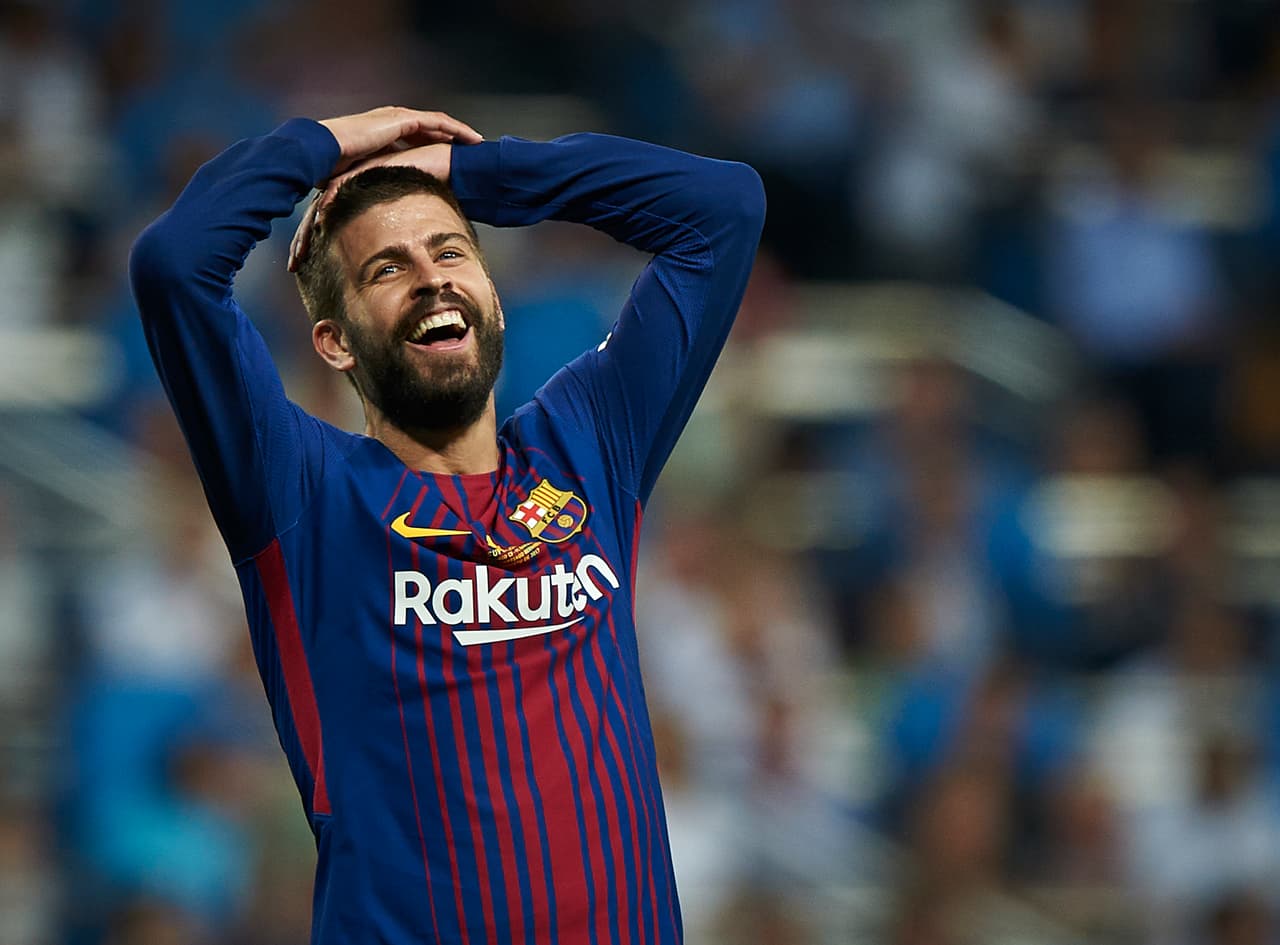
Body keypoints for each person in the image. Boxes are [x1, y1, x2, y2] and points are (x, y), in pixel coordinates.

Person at [128, 105, 765, 944]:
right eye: (386, 268)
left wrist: (477, 173)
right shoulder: (304, 493)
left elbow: (724, 208)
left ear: (493, 297)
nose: (431, 278)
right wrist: (326, 143)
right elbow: (175, 263)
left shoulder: (587, 444)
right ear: (335, 341)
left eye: (451, 251)